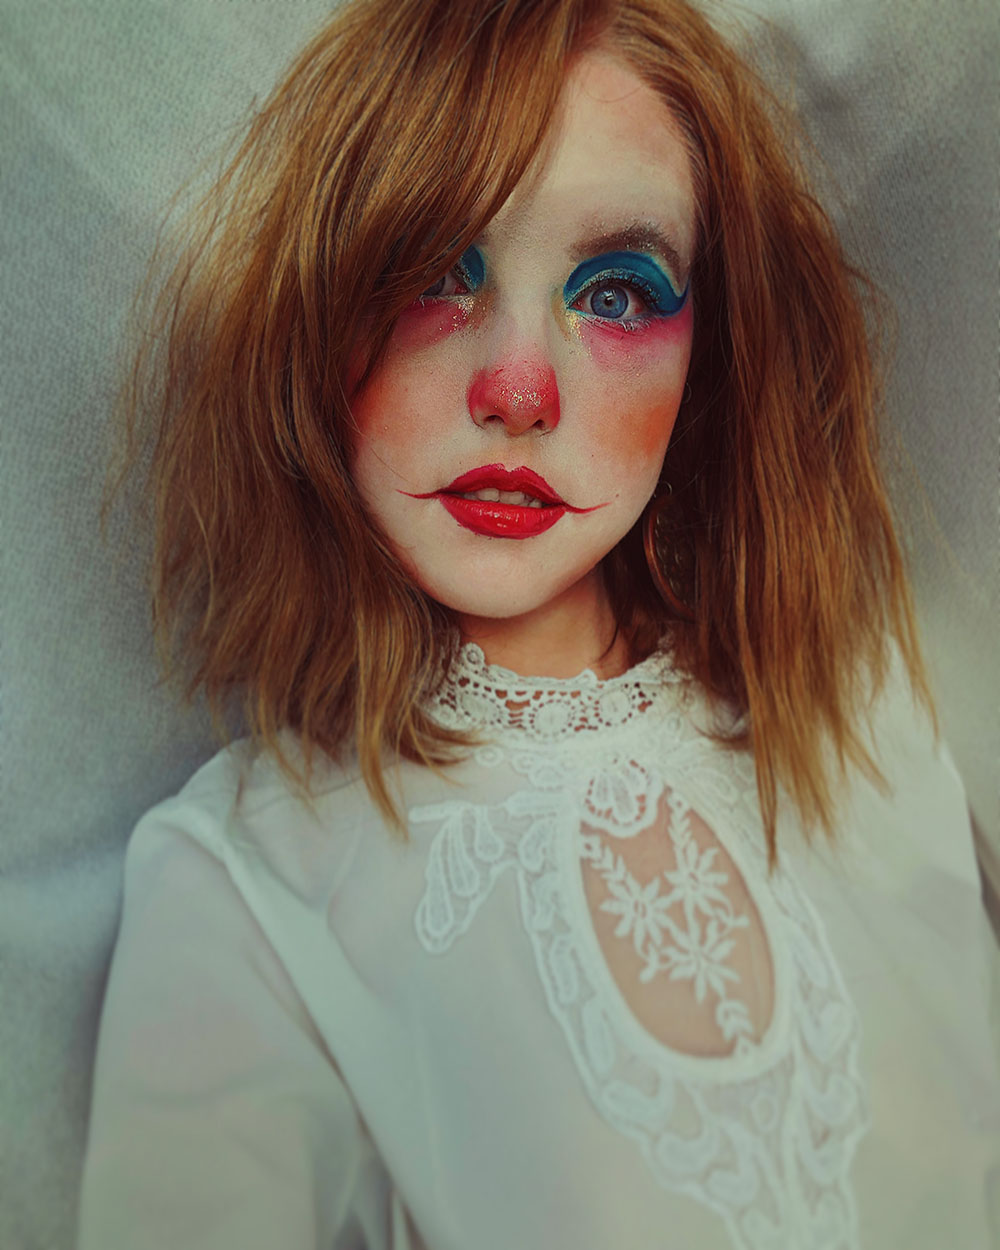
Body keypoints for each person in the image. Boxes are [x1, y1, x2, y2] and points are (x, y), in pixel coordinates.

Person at [77, 0, 1000, 1247]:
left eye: (615, 292)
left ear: (709, 354)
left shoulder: (866, 708)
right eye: (431, 273)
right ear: (320, 312)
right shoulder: (243, 882)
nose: (518, 390)